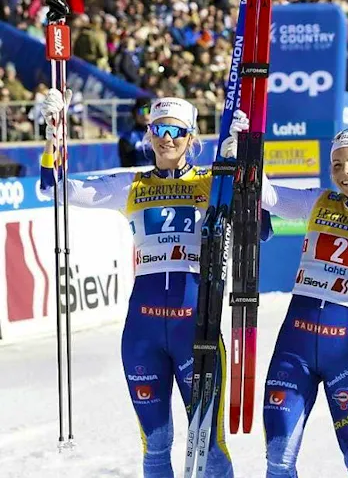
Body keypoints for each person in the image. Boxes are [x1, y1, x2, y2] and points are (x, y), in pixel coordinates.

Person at [39, 89, 243, 478]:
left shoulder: (211, 182)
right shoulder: (130, 184)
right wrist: (54, 136)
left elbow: (260, 227)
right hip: (142, 334)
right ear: (148, 134)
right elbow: (54, 188)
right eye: (159, 129)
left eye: (177, 131)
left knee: (209, 444)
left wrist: (239, 166)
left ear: (191, 137)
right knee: (155, 445)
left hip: (195, 329)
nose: (167, 138)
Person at [257, 127, 348, 478]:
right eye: (337, 165)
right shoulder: (318, 201)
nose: (345, 172)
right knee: (277, 460)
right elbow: (267, 195)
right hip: (295, 348)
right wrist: (241, 152)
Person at [118, 97, 155, 167]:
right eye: (141, 111)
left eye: (148, 111)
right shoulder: (127, 138)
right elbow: (126, 164)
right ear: (134, 114)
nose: (145, 115)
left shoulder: (159, 135)